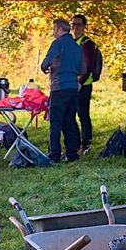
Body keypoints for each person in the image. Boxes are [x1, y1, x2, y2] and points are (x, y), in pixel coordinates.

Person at [39, 18, 82, 163]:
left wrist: (46, 68)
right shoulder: (76, 46)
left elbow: (46, 62)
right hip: (73, 88)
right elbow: (81, 68)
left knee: (56, 122)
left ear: (59, 29)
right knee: (69, 121)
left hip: (59, 87)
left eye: (54, 29)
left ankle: (54, 154)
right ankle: (72, 154)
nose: (53, 32)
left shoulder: (57, 44)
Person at [71, 14, 102, 153]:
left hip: (83, 85)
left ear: (84, 26)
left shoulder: (87, 43)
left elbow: (88, 65)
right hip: (71, 83)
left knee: (82, 114)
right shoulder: (72, 41)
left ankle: (86, 143)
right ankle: (76, 143)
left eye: (78, 24)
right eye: (73, 24)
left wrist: (80, 82)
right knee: (71, 114)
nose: (75, 27)